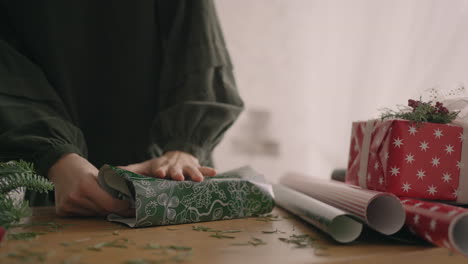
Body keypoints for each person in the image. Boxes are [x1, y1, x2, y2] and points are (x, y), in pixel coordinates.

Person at [0, 1, 244, 217]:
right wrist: (57, 158)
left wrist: (183, 149)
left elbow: (197, 41)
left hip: (167, 180)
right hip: (60, 185)